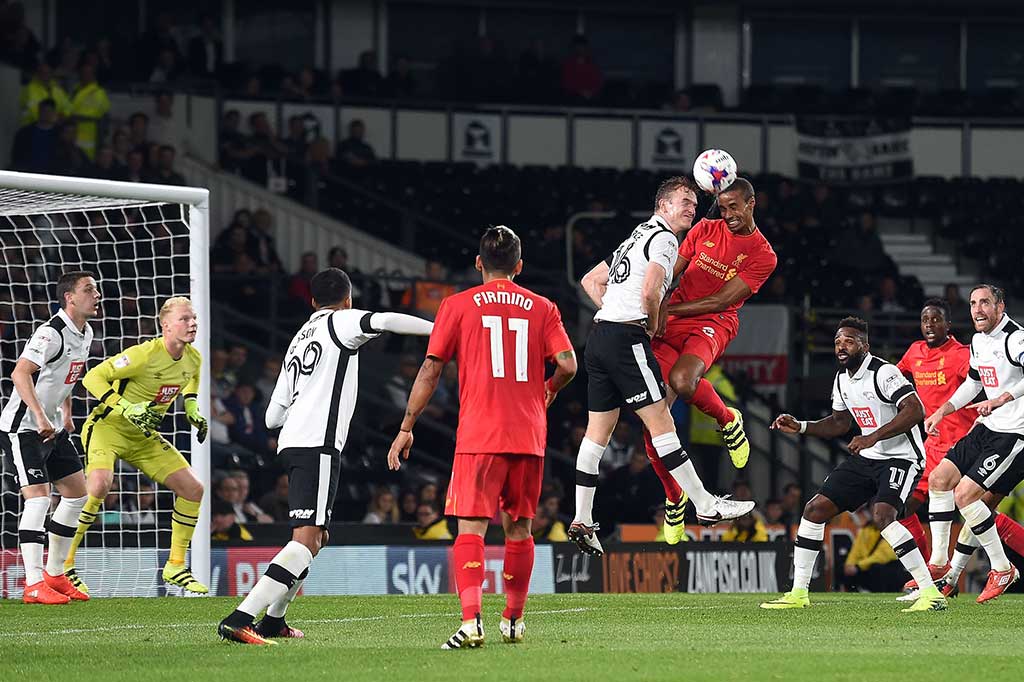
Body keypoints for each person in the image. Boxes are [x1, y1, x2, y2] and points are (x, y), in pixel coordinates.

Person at [218, 268, 433, 645]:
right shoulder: (341, 322)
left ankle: (274, 621)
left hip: (292, 441)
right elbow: (385, 320)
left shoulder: (298, 339)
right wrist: (440, 329)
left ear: (312, 301)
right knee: (305, 540)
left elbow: (271, 416)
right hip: (317, 443)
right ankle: (240, 618)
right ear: (347, 299)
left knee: (316, 537)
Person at [387, 225, 577, 649]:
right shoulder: (543, 306)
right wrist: (547, 390)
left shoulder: (456, 305)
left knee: (470, 527)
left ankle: (472, 622)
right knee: (520, 527)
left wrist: (406, 428)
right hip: (528, 433)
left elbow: (430, 369)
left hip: (479, 433)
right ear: (519, 266)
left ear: (478, 263)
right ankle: (513, 620)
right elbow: (567, 364)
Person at [571, 177, 755, 556]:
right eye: (683, 202)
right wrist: (650, 323)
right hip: (626, 340)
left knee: (595, 439)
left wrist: (611, 311)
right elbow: (653, 291)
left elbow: (590, 280)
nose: (691, 207)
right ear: (663, 206)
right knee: (662, 426)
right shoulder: (667, 240)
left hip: (599, 339)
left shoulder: (638, 234)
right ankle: (704, 504)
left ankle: (582, 520)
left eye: (693, 202)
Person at [761, 317, 946, 613]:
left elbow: (915, 410)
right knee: (814, 509)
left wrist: (873, 436)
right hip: (868, 458)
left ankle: (930, 592)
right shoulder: (841, 379)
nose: (841, 347)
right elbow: (839, 423)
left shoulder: (883, 372)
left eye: (848, 341)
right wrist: (802, 427)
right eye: (837, 341)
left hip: (902, 457)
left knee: (883, 514)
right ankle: (798, 593)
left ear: (864, 345)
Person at [641, 177, 777, 545]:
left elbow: (720, 302)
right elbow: (673, 271)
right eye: (723, 207)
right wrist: (652, 297)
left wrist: (667, 310)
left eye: (735, 207)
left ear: (752, 203)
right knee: (654, 425)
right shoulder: (704, 228)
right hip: (672, 317)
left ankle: (728, 418)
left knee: (685, 382)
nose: (728, 214)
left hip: (713, 322)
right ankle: (675, 497)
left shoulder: (764, 254)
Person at [62, 296, 210, 595]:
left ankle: (176, 566)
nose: (192, 323)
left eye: (193, 318)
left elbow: (191, 380)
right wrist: (126, 407)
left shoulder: (194, 357)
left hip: (144, 435)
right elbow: (93, 378)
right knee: (100, 485)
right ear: (165, 326)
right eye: (185, 319)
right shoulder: (143, 354)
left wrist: (191, 407)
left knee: (194, 489)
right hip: (108, 427)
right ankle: (64, 564)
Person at [892, 297, 1024, 598]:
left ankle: (1002, 568)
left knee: (967, 498)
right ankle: (940, 566)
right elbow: (975, 383)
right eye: (973, 303)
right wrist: (943, 410)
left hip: (1014, 434)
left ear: (1000, 307)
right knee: (942, 481)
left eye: (985, 303)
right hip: (986, 428)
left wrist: (1001, 399)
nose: (978, 309)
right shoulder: (978, 341)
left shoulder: (1016, 339)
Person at [0, 272, 99, 604]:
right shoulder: (51, 332)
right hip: (22, 427)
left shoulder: (86, 333)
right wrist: (41, 415)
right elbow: (20, 372)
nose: (96, 294)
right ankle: (31, 584)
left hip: (52, 426)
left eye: (96, 289)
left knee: (76, 495)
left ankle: (54, 575)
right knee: (39, 499)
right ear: (69, 297)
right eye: (89, 290)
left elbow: (66, 376)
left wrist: (65, 412)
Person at [69, 62, 109, 160]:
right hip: (72, 137)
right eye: (83, 72)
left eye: (88, 73)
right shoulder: (75, 90)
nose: (85, 75)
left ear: (93, 75)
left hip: (89, 141)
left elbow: (93, 116)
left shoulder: (99, 93)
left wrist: (71, 117)